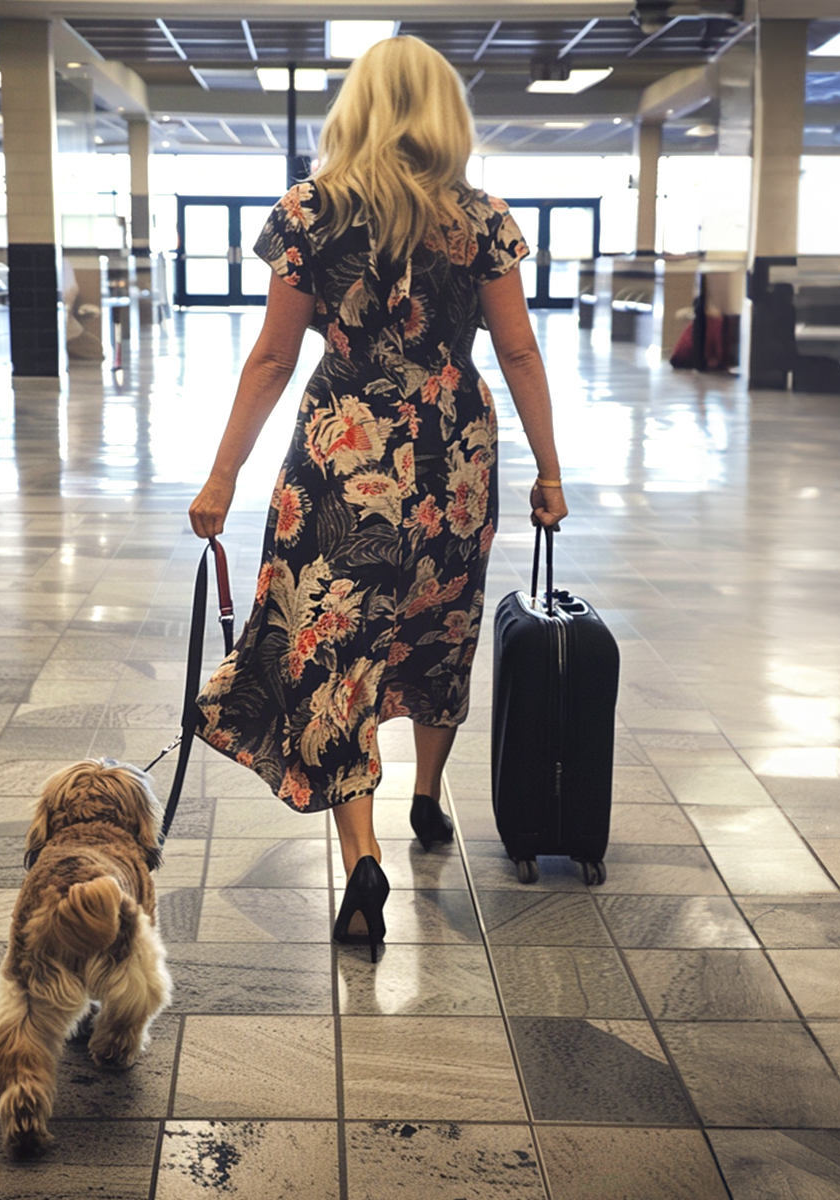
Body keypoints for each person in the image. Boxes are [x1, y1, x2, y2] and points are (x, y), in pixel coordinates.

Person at [187, 35, 567, 961]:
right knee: (438, 627)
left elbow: (274, 357)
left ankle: (361, 852)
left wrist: (223, 474)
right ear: (445, 113)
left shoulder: (307, 214)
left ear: (356, 107)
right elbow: (518, 352)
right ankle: (429, 800)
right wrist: (551, 472)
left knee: (337, 644)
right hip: (453, 459)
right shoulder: (481, 219)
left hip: (341, 457)